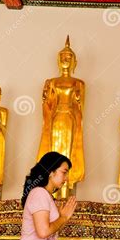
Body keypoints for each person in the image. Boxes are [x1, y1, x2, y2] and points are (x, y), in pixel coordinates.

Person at [1, 152, 93, 240]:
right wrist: (63, 217)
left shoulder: (45, 195)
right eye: (64, 172)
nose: (66, 178)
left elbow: (49, 230)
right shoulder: (39, 194)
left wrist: (63, 218)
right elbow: (43, 232)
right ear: (51, 172)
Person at [37, 36, 86, 198]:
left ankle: (66, 188)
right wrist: (45, 98)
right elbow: (48, 105)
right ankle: (52, 190)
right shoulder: (52, 82)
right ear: (59, 60)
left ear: (74, 62)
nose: (66, 59)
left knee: (68, 151)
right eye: (63, 57)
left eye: (69, 57)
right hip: (56, 119)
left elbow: (81, 108)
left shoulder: (78, 83)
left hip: (70, 119)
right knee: (54, 151)